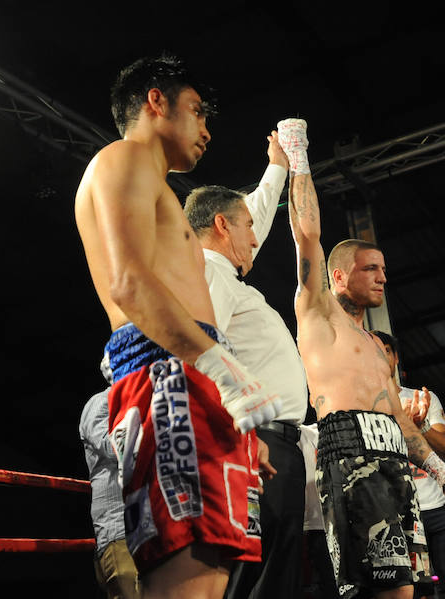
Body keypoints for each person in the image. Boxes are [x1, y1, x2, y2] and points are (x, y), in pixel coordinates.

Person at [74, 54, 279, 599]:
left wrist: (227, 395)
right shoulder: (124, 159)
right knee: (184, 584)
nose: (206, 130)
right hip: (169, 373)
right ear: (155, 101)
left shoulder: (159, 189)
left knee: (211, 576)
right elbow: (129, 285)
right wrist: (222, 370)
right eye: (197, 111)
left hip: (192, 376)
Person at [280, 116, 445, 599]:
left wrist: (443, 473)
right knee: (370, 590)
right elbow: (307, 236)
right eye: (371, 268)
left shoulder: (375, 347)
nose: (382, 277)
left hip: (393, 455)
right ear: (340, 276)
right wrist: (299, 157)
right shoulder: (318, 312)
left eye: (384, 269)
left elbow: (404, 424)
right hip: (348, 451)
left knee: (405, 589)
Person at [183, 133, 310, 599]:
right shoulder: (211, 271)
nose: (256, 237)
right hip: (257, 439)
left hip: (271, 441)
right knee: (256, 571)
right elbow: (198, 346)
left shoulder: (220, 268)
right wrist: (242, 435)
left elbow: (248, 212)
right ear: (221, 225)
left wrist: (276, 169)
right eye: (247, 228)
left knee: (268, 569)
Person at [372, 330, 445, 599]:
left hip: (438, 506)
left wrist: (419, 427)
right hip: (395, 513)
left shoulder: (422, 398)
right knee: (415, 594)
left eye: (386, 350)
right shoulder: (360, 405)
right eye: (374, 351)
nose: (380, 356)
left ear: (395, 357)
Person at [80, 388, 141, 599]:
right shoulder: (100, 403)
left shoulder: (150, 401)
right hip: (119, 532)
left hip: (149, 531)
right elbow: (112, 447)